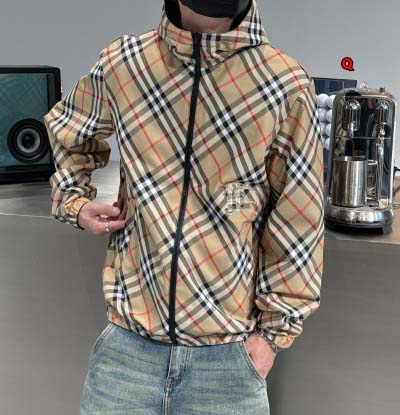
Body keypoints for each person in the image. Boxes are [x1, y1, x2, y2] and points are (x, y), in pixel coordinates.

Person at [43, 0, 325, 413]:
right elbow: (69, 130)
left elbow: (299, 217)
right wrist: (73, 200)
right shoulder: (126, 63)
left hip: (227, 360)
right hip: (127, 353)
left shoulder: (283, 82)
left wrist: (271, 337)